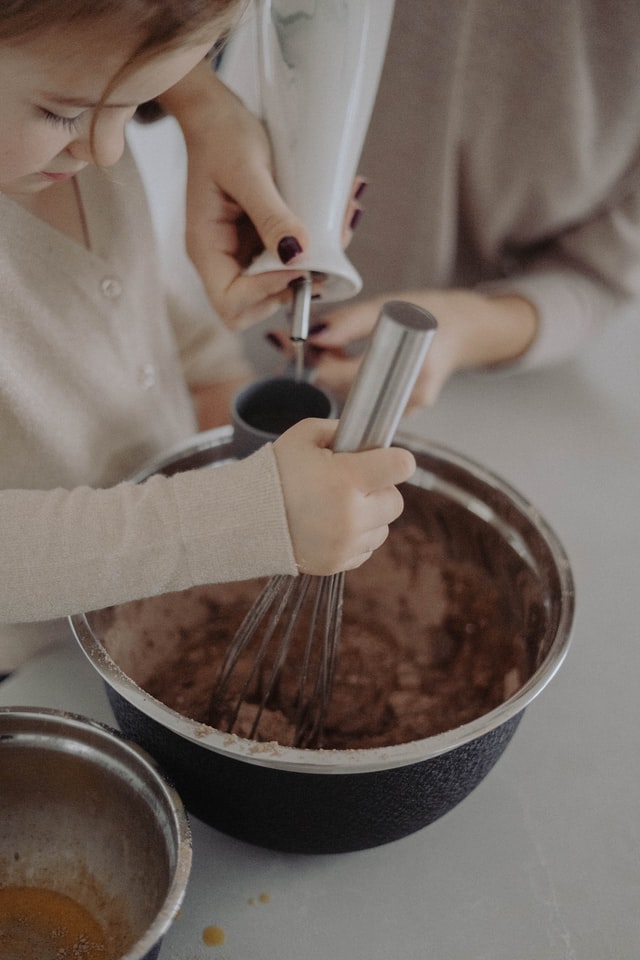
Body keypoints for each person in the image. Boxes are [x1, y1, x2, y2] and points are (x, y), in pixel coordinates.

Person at [0, 0, 415, 673]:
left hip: (140, 603)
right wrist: (249, 519)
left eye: (134, 108)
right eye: (64, 113)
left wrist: (218, 380)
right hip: (30, 669)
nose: (106, 150)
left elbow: (118, 301)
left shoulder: (58, 147)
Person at [158, 0, 640, 407]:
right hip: (232, 285)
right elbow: (117, 20)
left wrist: (468, 330)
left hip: (460, 386)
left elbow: (597, 279)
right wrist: (201, 102)